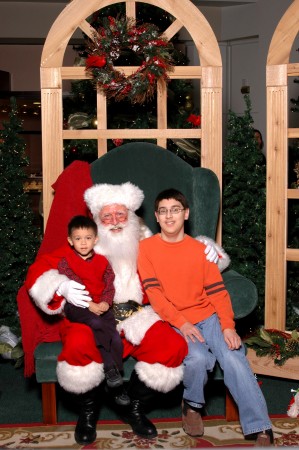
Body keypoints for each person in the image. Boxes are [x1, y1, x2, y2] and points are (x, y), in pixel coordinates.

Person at [25, 182, 228, 446]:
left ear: (131, 216)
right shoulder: (83, 245)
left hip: (137, 315)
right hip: (92, 317)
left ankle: (132, 406)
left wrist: (209, 251)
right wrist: (60, 285)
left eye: (120, 214)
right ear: (96, 220)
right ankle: (88, 413)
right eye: (106, 216)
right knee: (78, 345)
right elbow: (38, 271)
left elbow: (185, 256)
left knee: (173, 346)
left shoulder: (146, 240)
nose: (115, 222)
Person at [137, 188, 274, 447]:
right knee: (198, 357)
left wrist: (228, 327)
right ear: (156, 216)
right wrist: (182, 322)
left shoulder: (201, 250)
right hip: (174, 320)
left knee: (233, 356)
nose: (169, 216)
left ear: (185, 213)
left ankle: (261, 427)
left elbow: (218, 292)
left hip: (209, 316)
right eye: (163, 211)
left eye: (175, 210)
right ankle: (192, 405)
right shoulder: (146, 249)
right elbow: (155, 295)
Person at [58, 215, 129, 406]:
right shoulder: (66, 262)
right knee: (96, 324)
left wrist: (106, 302)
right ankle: (109, 369)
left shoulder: (103, 262)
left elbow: (109, 284)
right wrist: (90, 304)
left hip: (101, 305)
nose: (83, 242)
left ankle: (116, 381)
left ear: (95, 239)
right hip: (78, 306)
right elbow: (74, 284)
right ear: (70, 241)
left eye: (88, 238)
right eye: (78, 238)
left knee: (114, 336)